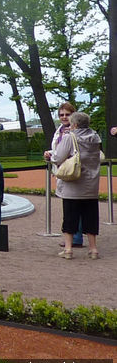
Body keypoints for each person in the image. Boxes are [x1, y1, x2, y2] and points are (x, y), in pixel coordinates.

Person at [44, 111, 102, 260]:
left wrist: (50, 156)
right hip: (91, 183)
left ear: (74, 124)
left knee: (70, 216)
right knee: (91, 216)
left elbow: (58, 157)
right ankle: (93, 249)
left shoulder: (71, 137)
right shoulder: (95, 137)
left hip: (73, 184)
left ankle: (68, 249)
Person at [52, 103, 83, 249]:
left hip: (74, 172)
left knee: (73, 206)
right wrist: (51, 153)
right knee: (70, 206)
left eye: (67, 114)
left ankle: (74, 237)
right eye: (61, 115)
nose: (64, 117)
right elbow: (58, 151)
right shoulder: (59, 132)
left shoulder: (76, 132)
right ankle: (73, 237)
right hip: (64, 171)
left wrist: (53, 157)